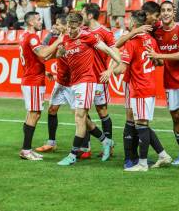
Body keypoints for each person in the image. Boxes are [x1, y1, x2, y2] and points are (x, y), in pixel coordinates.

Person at [56, 13, 121, 166]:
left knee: (79, 117)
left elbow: (107, 49)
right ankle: (106, 141)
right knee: (82, 117)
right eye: (68, 28)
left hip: (87, 81)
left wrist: (117, 62)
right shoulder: (66, 38)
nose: (70, 31)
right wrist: (60, 51)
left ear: (79, 26)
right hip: (74, 82)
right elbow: (60, 54)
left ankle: (72, 155)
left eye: (73, 28)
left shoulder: (88, 37)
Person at [112, 10, 172, 172]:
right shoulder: (151, 40)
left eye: (129, 22)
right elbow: (159, 63)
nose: (128, 24)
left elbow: (122, 67)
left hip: (139, 87)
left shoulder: (132, 43)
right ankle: (162, 154)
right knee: (143, 123)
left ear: (134, 24)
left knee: (141, 125)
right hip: (150, 85)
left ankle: (143, 163)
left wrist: (111, 71)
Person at [147, 1, 179, 171]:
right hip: (170, 81)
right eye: (163, 10)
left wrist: (158, 54)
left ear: (174, 12)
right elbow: (161, 60)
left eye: (169, 10)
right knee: (176, 118)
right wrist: (156, 59)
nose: (166, 13)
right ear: (160, 13)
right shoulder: (157, 32)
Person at [18, 11, 63, 160]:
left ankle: (27, 149)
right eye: (38, 19)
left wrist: (56, 56)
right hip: (33, 81)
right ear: (31, 22)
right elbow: (43, 54)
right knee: (34, 114)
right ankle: (26, 150)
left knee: (32, 113)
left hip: (32, 79)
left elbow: (39, 57)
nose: (40, 22)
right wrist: (58, 41)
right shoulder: (32, 37)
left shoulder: (25, 35)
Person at [78, 3, 116, 159]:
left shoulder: (105, 32)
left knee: (102, 112)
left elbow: (115, 52)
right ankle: (85, 147)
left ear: (90, 15)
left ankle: (109, 145)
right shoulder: (82, 31)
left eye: (82, 13)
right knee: (83, 112)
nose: (80, 16)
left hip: (99, 78)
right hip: (84, 79)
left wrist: (110, 70)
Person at [35, 15, 71, 153]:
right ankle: (51, 143)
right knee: (52, 110)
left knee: (81, 115)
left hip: (73, 83)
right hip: (61, 81)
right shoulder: (58, 38)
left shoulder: (73, 38)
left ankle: (90, 145)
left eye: (57, 24)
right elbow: (49, 54)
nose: (55, 26)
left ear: (65, 25)